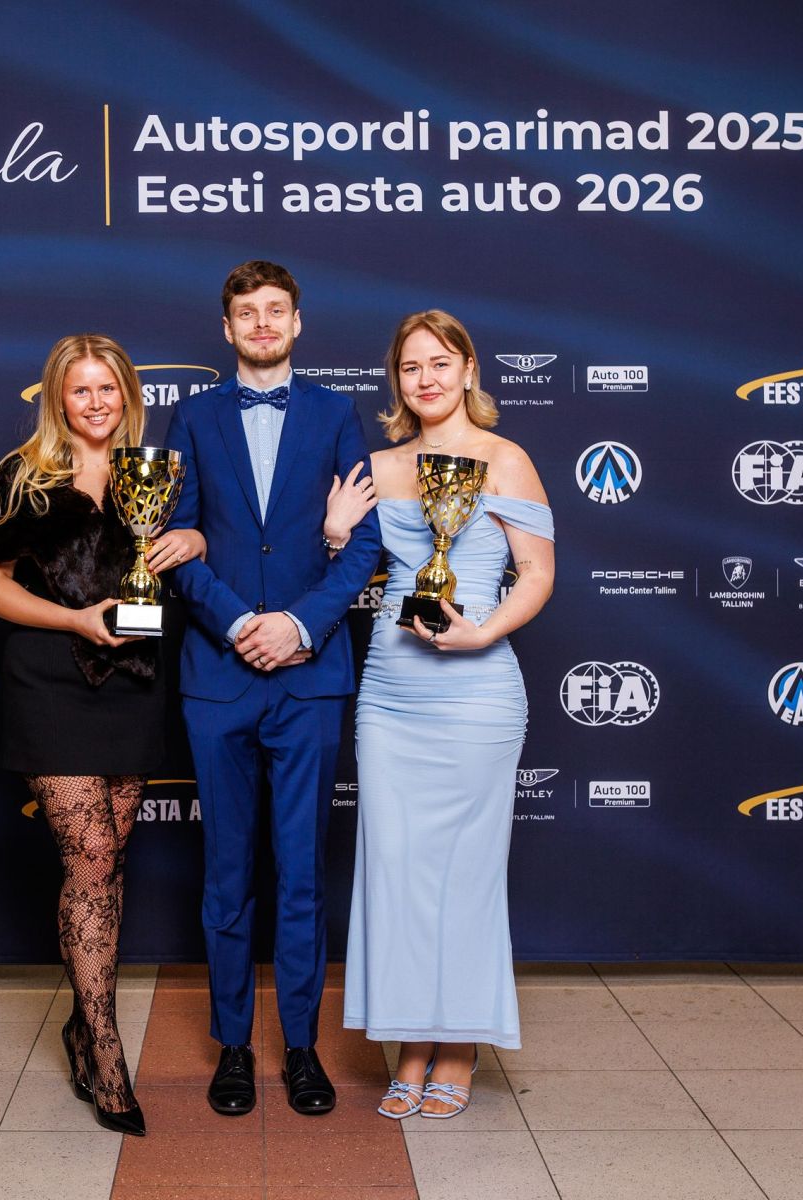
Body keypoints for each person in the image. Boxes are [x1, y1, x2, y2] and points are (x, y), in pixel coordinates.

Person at [0, 333, 204, 1136]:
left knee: (111, 859)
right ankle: (104, 1047)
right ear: (58, 399)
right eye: (81, 390)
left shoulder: (158, 473)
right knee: (92, 854)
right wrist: (73, 618)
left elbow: (203, 544)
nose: (96, 403)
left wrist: (197, 538)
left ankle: (81, 1021)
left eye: (109, 388)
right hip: (49, 681)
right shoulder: (23, 476)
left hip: (133, 683)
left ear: (128, 395)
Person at [163, 261, 382, 1117]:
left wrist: (297, 625)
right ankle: (230, 1046)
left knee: (300, 876)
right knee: (227, 875)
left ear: (298, 322)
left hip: (308, 679)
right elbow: (173, 538)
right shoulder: (194, 416)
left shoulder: (335, 414)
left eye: (275, 310)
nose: (261, 323)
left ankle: (299, 1047)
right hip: (219, 679)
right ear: (227, 329)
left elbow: (363, 545)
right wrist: (235, 624)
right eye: (246, 312)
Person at [341, 309, 555, 1119]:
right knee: (396, 870)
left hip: (476, 690)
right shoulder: (378, 469)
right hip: (391, 691)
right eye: (410, 367)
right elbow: (343, 567)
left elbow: (537, 573)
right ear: (396, 381)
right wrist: (335, 532)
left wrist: (483, 633)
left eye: (439, 362)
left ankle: (459, 1047)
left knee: (465, 872)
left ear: (468, 369)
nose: (425, 378)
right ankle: (410, 1043)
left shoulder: (508, 460)